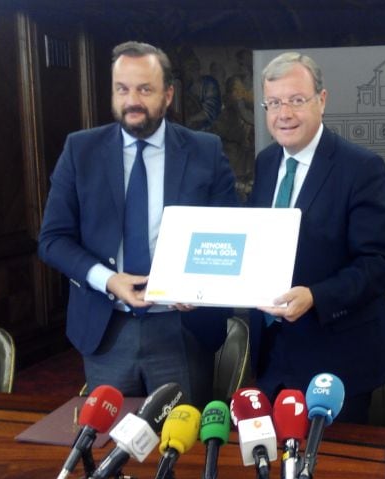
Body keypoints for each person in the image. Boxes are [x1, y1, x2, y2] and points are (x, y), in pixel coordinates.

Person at [37, 41, 238, 407]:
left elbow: (230, 235)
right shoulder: (80, 150)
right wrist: (108, 280)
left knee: (183, 446)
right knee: (110, 444)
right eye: (122, 89)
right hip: (107, 326)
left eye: (145, 89)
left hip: (182, 330)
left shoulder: (205, 150)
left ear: (168, 95)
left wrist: (199, 286)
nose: (133, 100)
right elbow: (52, 240)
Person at [247, 52, 385, 423]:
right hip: (272, 354)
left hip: (336, 358)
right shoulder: (267, 163)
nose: (283, 113)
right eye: (273, 102)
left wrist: (316, 297)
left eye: (296, 100)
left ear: (322, 99)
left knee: (331, 471)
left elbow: (382, 262)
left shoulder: (361, 168)